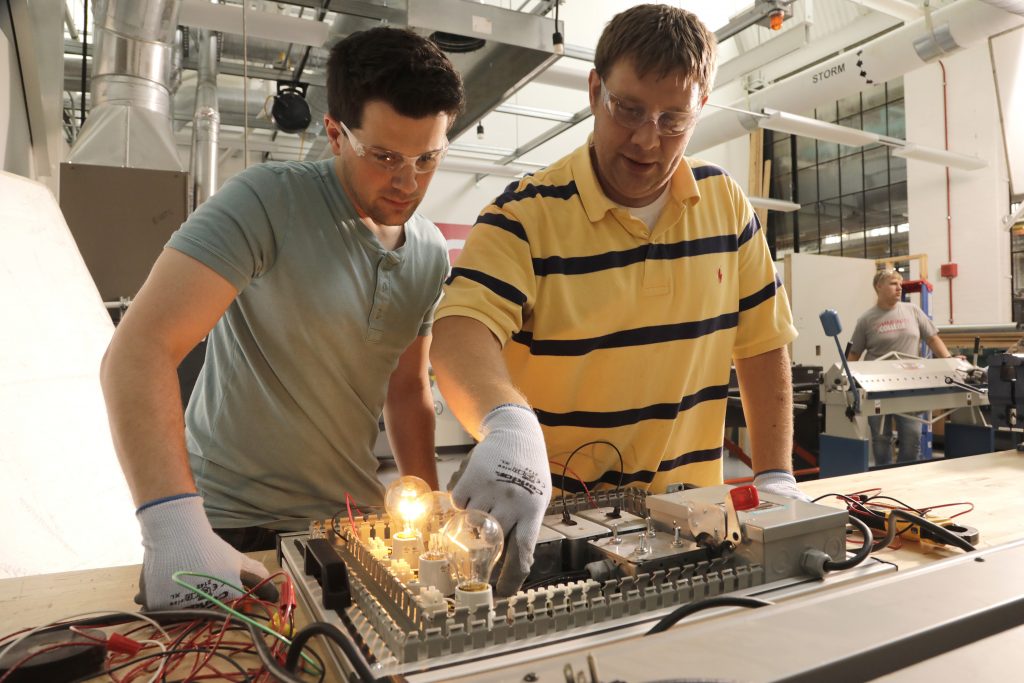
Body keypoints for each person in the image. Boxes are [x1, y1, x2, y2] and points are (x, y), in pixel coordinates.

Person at [430, 4, 803, 595]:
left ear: (699, 110)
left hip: (696, 527)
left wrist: (776, 473)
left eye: (673, 119)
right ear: (594, 89)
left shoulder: (726, 205)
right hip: (551, 533)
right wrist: (507, 424)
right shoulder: (524, 214)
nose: (647, 138)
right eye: (627, 109)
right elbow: (459, 331)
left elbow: (762, 345)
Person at [100, 27, 464, 609]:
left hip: (353, 528)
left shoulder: (426, 251)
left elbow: (407, 390)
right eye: (386, 156)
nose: (408, 182)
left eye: (428, 158)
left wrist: (430, 515)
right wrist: (174, 528)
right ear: (334, 133)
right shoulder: (268, 201)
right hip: (232, 530)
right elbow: (138, 350)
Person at [847, 268, 954, 464]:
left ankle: (907, 475)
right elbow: (853, 354)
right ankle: (884, 476)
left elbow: (932, 339)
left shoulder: (912, 311)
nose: (899, 288)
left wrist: (951, 361)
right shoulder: (866, 319)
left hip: (909, 385)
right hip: (876, 387)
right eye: (893, 283)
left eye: (900, 284)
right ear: (878, 287)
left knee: (912, 438)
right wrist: (847, 381)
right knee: (881, 439)